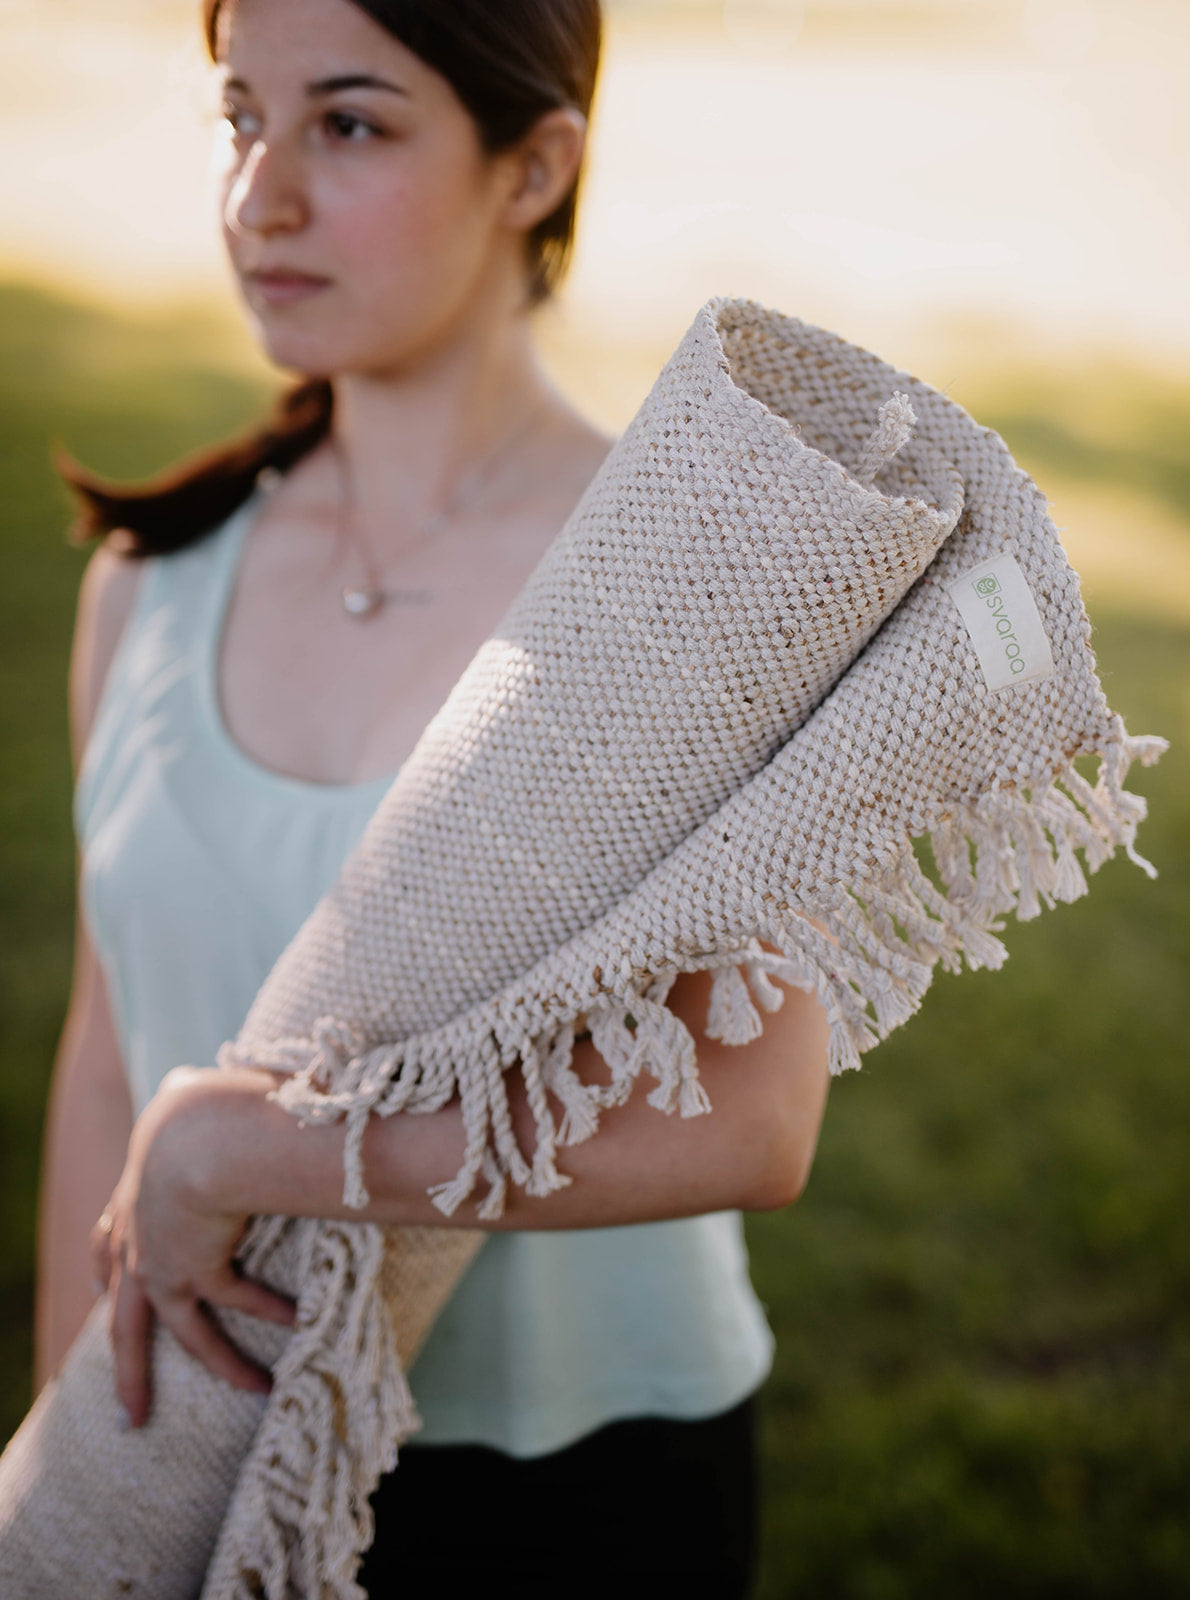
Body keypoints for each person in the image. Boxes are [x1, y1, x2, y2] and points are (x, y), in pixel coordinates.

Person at [34, 0, 832, 1591]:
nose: (258, 197)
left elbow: (754, 1120)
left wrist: (259, 1152)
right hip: (203, 1449)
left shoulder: (678, 586)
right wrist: (86, 1457)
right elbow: (106, 1057)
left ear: (533, 166)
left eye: (347, 123)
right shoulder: (149, 585)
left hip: (586, 1481)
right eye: (237, 113)